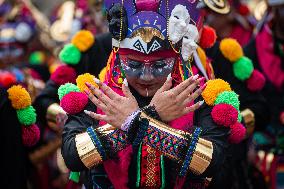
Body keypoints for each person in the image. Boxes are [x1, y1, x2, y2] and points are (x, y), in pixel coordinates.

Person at [60, 0, 246, 188]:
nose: (146, 76)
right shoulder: (98, 95)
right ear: (117, 58)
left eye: (159, 65)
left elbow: (211, 161)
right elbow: (72, 156)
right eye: (133, 64)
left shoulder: (198, 96)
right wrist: (151, 117)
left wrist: (134, 122)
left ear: (177, 60)